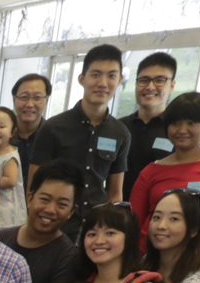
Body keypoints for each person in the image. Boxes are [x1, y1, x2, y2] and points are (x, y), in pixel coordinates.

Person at [26, 45, 129, 210]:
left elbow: (115, 192)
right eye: (95, 75)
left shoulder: (120, 133)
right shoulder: (53, 127)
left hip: (95, 227)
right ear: (82, 79)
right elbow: (34, 185)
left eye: (111, 76)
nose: (103, 83)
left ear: (119, 80)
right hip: (57, 223)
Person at [130, 90, 200, 234]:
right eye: (175, 123)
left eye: (191, 123)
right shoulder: (151, 171)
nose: (182, 130)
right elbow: (133, 222)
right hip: (153, 251)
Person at [0, 163, 81, 283]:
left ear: (72, 211)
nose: (50, 209)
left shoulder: (68, 258)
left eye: (62, 204)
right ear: (29, 198)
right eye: (44, 199)